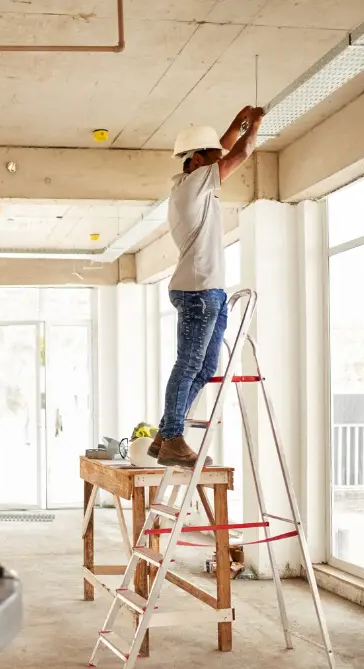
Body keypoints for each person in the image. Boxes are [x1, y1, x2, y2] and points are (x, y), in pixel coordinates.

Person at [148, 105, 265, 467]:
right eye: (213, 157)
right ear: (196, 160)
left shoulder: (195, 183)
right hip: (198, 290)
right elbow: (241, 151)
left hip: (207, 290)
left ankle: (165, 434)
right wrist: (256, 125)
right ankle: (172, 437)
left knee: (204, 367)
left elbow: (224, 146)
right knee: (188, 365)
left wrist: (236, 123)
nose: (220, 161)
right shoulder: (194, 185)